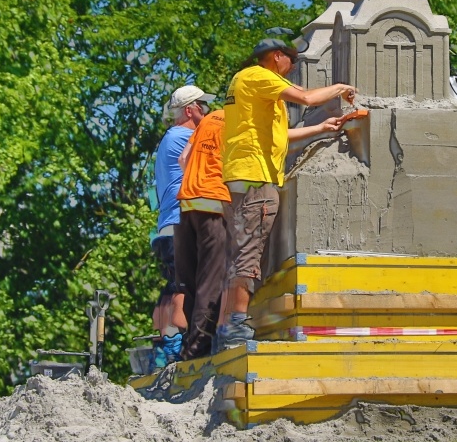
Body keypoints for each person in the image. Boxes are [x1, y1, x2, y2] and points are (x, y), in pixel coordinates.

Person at [216, 37, 357, 349]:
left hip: (244, 175)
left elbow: (282, 136)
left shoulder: (254, 88)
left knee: (240, 250)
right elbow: (306, 98)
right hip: (255, 177)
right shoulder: (259, 75)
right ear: (277, 57)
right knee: (249, 252)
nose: (293, 69)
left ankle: (226, 326)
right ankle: (235, 326)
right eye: (291, 61)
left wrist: (320, 129)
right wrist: (340, 88)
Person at [150, 84, 214, 368]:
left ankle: (165, 343)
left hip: (166, 225)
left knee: (171, 286)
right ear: (190, 110)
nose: (208, 113)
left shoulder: (169, 137)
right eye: (204, 107)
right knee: (182, 287)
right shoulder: (184, 136)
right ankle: (174, 344)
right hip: (178, 223)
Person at [174, 108, 229, 360]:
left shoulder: (209, 120)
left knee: (190, 281)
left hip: (186, 204)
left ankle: (186, 343)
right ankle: (198, 350)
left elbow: (183, 160)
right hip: (213, 205)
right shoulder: (241, 121)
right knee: (211, 280)